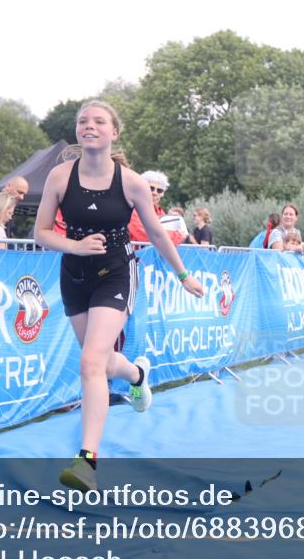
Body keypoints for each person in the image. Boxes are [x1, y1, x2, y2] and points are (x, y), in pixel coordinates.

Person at [34, 99, 205, 492]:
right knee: (101, 363)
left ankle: (87, 461)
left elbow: (158, 232)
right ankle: (137, 374)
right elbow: (40, 233)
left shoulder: (131, 182)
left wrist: (183, 275)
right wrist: (74, 247)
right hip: (74, 273)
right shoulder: (61, 176)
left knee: (91, 361)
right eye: (82, 121)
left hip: (116, 272)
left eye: (98, 121)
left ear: (114, 132)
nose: (88, 126)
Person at [126, 170, 188, 246]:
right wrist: (178, 236)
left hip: (154, 255)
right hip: (135, 255)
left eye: (159, 190)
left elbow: (160, 235)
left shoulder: (160, 212)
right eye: (151, 188)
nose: (155, 193)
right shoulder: (132, 209)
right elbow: (147, 237)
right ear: (141, 188)